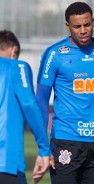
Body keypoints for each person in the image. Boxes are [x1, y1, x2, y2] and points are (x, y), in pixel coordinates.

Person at [36, 2, 94, 183]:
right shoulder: (54, 54)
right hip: (65, 141)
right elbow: (41, 101)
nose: (83, 30)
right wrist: (43, 148)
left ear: (93, 22)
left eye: (87, 25)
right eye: (77, 26)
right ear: (68, 26)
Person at [0, 30, 50, 184]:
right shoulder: (17, 66)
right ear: (14, 50)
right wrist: (44, 149)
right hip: (6, 163)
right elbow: (29, 104)